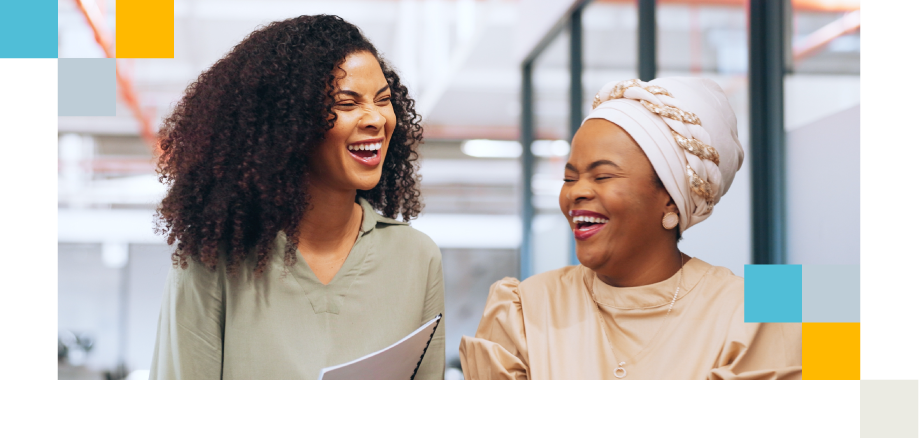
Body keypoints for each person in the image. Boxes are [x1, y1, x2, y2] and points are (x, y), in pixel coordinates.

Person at [150, 15, 444, 379]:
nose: (376, 119)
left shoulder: (416, 257)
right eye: (347, 104)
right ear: (289, 124)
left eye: (383, 100)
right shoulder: (213, 259)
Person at [460, 77, 801, 380]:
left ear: (670, 199)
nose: (576, 191)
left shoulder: (764, 308)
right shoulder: (524, 308)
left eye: (603, 175)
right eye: (569, 177)